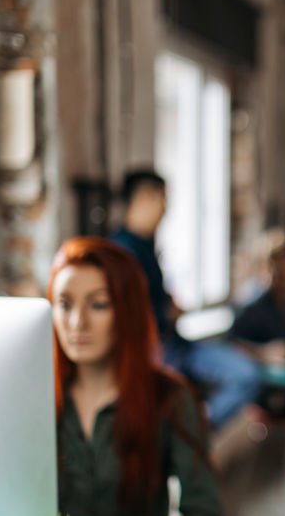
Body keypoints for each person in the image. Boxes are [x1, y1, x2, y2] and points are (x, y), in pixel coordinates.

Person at [47, 237, 224, 516]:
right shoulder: (34, 399)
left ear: (126, 311)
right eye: (64, 304)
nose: (77, 323)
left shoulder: (169, 397)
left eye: (98, 304)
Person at [111, 168, 263, 429]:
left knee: (245, 375)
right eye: (163, 200)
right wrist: (164, 313)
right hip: (153, 353)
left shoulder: (146, 247)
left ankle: (196, 434)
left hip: (176, 344)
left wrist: (169, 305)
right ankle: (187, 438)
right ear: (145, 198)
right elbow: (125, 314)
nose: (166, 210)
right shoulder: (121, 252)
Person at [230, 237, 285, 367]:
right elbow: (231, 346)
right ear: (267, 273)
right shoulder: (252, 310)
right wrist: (263, 353)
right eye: (280, 277)